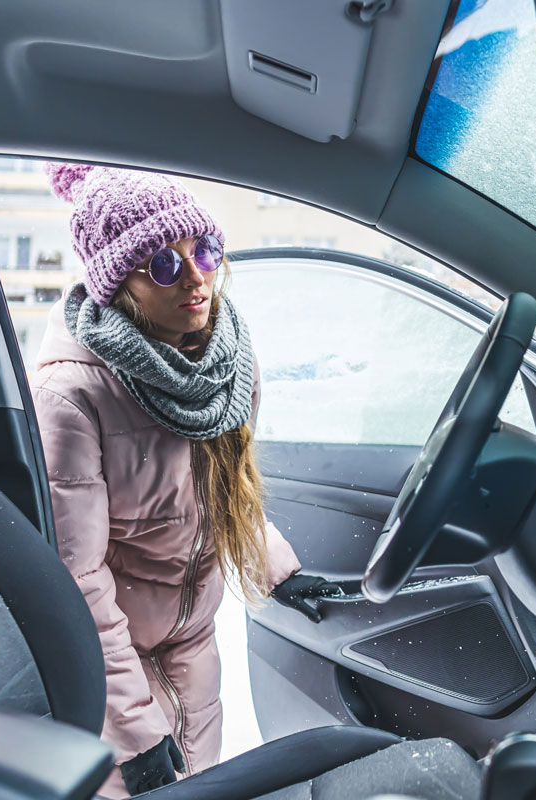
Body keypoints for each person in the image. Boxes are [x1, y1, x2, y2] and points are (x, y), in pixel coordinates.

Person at [31, 163, 341, 798]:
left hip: (195, 644)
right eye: (163, 266)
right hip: (116, 662)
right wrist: (132, 732)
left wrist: (275, 568)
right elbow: (77, 583)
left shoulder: (230, 363)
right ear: (119, 287)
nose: (196, 276)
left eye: (204, 250)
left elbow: (227, 492)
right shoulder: (71, 395)